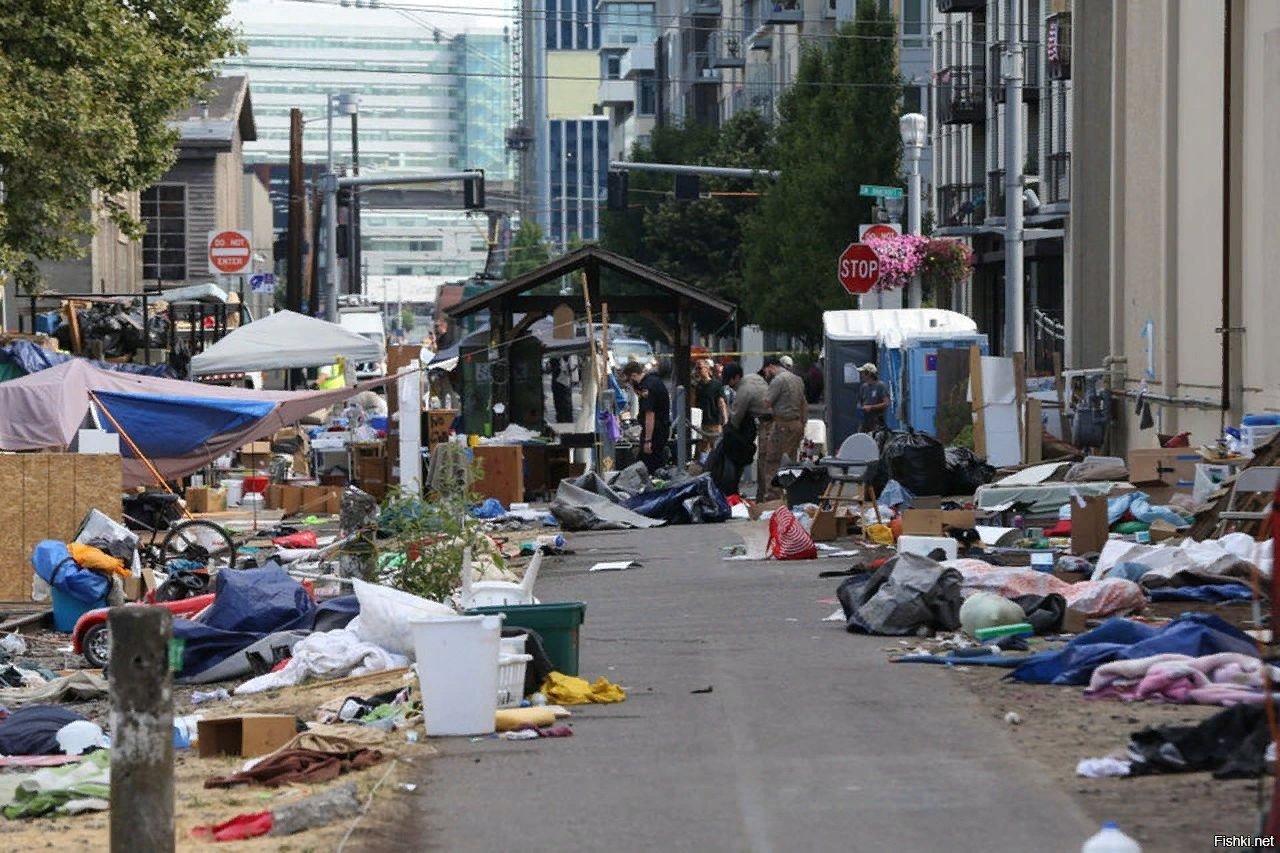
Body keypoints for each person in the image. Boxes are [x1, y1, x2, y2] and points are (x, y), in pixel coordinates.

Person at [760, 356, 808, 501]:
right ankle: (790, 494)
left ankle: (773, 497)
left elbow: (767, 403)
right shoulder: (797, 379)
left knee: (773, 460)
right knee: (790, 461)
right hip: (796, 425)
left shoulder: (778, 380)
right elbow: (804, 404)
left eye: (766, 371)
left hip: (782, 425)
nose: (766, 374)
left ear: (770, 367)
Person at [719, 362, 769, 497]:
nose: (730, 387)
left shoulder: (743, 391)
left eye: (730, 382)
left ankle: (766, 497)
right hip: (772, 420)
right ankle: (764, 496)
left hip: (769, 423)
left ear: (736, 377)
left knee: (766, 463)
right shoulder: (753, 377)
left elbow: (735, 420)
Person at [621, 361, 670, 474]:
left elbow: (649, 415)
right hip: (660, 429)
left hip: (655, 432)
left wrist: (648, 441)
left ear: (633, 375)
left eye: (629, 380)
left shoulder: (647, 388)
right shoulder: (653, 381)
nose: (629, 384)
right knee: (650, 463)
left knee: (648, 465)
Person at [695, 358, 728, 455]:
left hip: (715, 422)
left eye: (700, 368)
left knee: (716, 448)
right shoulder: (698, 386)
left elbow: (721, 403)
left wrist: (725, 420)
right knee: (703, 449)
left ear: (707, 369)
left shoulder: (716, 385)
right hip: (702, 423)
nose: (698, 371)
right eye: (696, 369)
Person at [857, 362, 891, 433]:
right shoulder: (864, 387)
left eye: (863, 373)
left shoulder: (881, 386)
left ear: (869, 374)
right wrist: (860, 408)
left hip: (877, 423)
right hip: (864, 423)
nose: (861, 375)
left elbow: (886, 403)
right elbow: (860, 401)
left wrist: (871, 407)